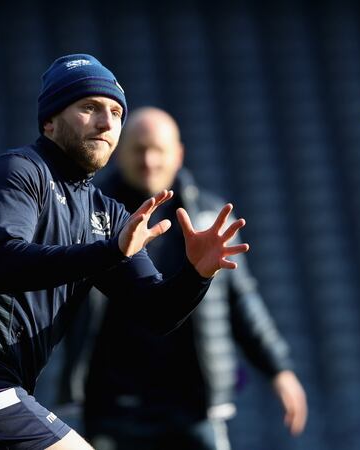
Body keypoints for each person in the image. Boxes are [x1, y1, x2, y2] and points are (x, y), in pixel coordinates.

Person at [0, 54, 250, 450]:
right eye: (89, 108)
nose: (106, 123)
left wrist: (196, 274)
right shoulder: (17, 173)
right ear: (50, 121)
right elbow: (5, 264)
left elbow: (156, 312)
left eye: (116, 112)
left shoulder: (108, 213)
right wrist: (110, 252)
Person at [59, 107, 307, 450]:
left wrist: (280, 370)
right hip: (112, 410)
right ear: (118, 152)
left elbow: (242, 302)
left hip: (193, 411)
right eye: (138, 149)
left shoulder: (209, 217)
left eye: (157, 149)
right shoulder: (86, 218)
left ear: (178, 154)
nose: (148, 160)